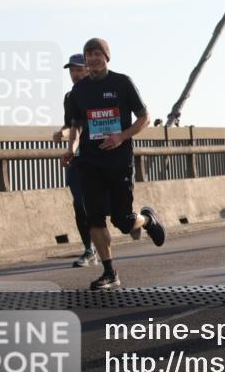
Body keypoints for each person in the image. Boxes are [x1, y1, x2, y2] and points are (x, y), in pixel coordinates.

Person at [62, 38, 167, 290]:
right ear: (85, 60)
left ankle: (147, 220)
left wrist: (121, 136)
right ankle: (109, 272)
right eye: (89, 54)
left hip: (118, 160)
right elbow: (76, 126)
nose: (93, 58)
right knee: (94, 219)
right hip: (89, 161)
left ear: (106, 57)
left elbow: (144, 117)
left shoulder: (122, 83)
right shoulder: (78, 91)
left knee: (123, 220)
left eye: (98, 53)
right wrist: (70, 149)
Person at [54, 53, 95, 268]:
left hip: (101, 155)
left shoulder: (97, 92)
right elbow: (73, 124)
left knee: (108, 208)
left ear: (88, 69)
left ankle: (140, 220)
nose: (75, 74)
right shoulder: (70, 97)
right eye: (72, 71)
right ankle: (89, 249)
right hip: (79, 157)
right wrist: (61, 132)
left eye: (79, 70)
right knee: (80, 205)